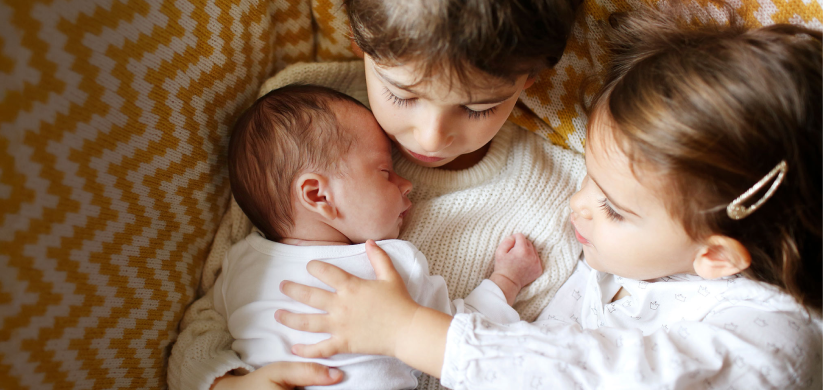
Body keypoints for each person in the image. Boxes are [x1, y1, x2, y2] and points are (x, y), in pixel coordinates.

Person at [273, 9, 822, 388]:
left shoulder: (770, 345)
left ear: (717, 256)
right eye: (589, 180)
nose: (576, 206)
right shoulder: (644, 258)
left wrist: (408, 332)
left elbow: (590, 372)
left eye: (612, 207)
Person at [169, 0, 584, 388]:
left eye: (477, 108)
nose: (431, 137)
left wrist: (507, 280)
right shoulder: (293, 123)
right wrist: (229, 382)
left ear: (529, 79)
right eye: (402, 94)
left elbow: (464, 344)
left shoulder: (565, 187)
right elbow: (201, 326)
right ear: (357, 40)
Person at [217, 84, 542, 389]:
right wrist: (507, 280)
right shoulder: (387, 267)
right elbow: (460, 339)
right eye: (385, 172)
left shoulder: (239, 264)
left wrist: (222, 382)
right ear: (318, 195)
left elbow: (203, 334)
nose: (407, 183)